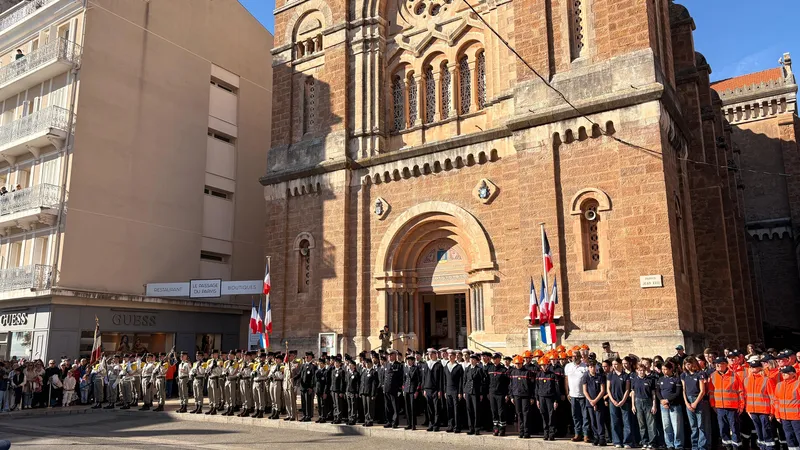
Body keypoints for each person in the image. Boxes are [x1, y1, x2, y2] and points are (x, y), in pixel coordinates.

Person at [709, 356, 745, 450]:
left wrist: (741, 406)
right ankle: (727, 446)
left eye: (720, 363)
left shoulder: (734, 375)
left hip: (732, 407)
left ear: (725, 364)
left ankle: (736, 446)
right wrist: (713, 405)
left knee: (734, 429)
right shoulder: (713, 376)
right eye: (716, 364)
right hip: (719, 407)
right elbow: (711, 392)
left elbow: (740, 391)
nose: (718, 365)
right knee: (723, 429)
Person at [744, 360, 776, 450]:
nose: (753, 369)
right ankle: (762, 448)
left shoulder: (767, 380)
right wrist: (748, 410)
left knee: (767, 432)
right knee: (759, 433)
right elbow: (746, 397)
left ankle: (770, 448)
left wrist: (772, 412)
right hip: (753, 411)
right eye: (751, 367)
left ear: (760, 368)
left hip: (764, 412)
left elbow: (773, 397)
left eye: (755, 367)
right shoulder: (746, 380)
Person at [682, 356, 710, 450]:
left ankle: (702, 446)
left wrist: (695, 403)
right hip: (688, 400)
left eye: (689, 363)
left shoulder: (700, 374)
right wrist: (687, 403)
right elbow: (683, 390)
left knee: (701, 425)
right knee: (693, 426)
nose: (687, 366)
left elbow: (702, 391)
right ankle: (694, 446)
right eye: (686, 364)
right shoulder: (684, 375)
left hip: (698, 400)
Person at [657, 361, 685, 450]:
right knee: (666, 426)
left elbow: (677, 393)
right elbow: (657, 391)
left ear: (671, 369)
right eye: (662, 369)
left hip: (674, 406)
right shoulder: (660, 379)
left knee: (676, 426)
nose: (664, 371)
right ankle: (669, 444)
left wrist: (668, 400)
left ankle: (678, 445)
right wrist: (662, 400)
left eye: (665, 369)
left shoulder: (676, 379)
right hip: (663, 406)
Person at [608, 357, 634, 448]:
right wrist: (612, 400)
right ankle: (617, 441)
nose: (614, 366)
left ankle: (627, 442)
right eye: (613, 364)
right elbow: (608, 389)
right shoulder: (610, 375)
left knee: (626, 422)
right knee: (615, 422)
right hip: (613, 402)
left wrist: (623, 400)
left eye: (616, 364)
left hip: (624, 402)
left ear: (620, 365)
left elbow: (627, 389)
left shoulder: (625, 376)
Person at [631, 362, 659, 449]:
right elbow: (633, 393)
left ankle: (652, 443)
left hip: (648, 402)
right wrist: (633, 405)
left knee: (651, 423)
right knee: (641, 424)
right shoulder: (634, 380)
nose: (641, 372)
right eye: (640, 370)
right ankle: (644, 442)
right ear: (637, 371)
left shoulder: (650, 380)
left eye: (643, 370)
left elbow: (653, 393)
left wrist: (654, 405)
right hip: (638, 402)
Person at [566, 351, 591, 443]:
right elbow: (566, 380)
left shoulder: (585, 367)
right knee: (575, 415)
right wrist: (567, 392)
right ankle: (577, 433)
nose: (574, 358)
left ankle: (586, 435)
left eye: (576, 356)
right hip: (573, 395)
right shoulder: (568, 366)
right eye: (573, 356)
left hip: (583, 395)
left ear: (580, 357)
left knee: (585, 416)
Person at [583, 357, 608, 446]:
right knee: (592, 421)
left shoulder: (600, 376)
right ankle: (596, 437)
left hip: (599, 401)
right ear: (588, 368)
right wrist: (591, 401)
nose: (592, 368)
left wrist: (596, 401)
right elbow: (585, 390)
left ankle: (602, 438)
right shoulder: (585, 376)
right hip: (589, 402)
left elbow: (602, 390)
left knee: (599, 420)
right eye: (590, 367)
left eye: (594, 367)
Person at [774, 366, 800, 450]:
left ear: (793, 374)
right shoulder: (779, 385)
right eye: (783, 372)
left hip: (797, 417)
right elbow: (776, 401)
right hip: (784, 417)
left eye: (786, 372)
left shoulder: (798, 384)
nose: (784, 374)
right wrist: (777, 415)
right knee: (789, 438)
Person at [509, 355, 535, 439]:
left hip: (526, 396)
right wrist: (511, 396)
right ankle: (521, 431)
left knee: (526, 414)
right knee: (519, 414)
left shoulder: (527, 372)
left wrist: (532, 397)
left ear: (522, 363)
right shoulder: (513, 372)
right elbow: (511, 385)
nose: (517, 365)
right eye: (516, 364)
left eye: (519, 364)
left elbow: (532, 386)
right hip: (516, 396)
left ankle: (527, 432)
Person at [421, 347, 444, 432]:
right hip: (427, 389)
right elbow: (424, 377)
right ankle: (431, 424)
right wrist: (424, 389)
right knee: (429, 408)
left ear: (435, 354)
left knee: (436, 408)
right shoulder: (426, 364)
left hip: (435, 390)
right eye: (429, 354)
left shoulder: (439, 365)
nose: (430, 356)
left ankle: (436, 425)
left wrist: (439, 390)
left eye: (432, 354)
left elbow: (441, 379)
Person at [488, 352, 510, 436]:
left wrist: (507, 394)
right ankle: (495, 428)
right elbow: (487, 382)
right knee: (494, 411)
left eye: (495, 358)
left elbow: (508, 384)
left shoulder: (504, 370)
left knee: (501, 412)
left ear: (499, 359)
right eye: (493, 358)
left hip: (501, 394)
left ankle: (502, 429)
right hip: (492, 393)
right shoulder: (490, 369)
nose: (493, 360)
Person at [443, 349, 464, 433]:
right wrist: (445, 391)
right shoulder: (446, 367)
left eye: (452, 355)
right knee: (449, 409)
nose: (450, 357)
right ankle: (450, 426)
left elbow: (461, 381)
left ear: (455, 357)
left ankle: (457, 426)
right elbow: (444, 380)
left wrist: (460, 392)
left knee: (456, 409)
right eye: (449, 355)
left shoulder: (458, 367)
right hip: (448, 390)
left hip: (455, 391)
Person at [403, 354, 421, 430]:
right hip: (407, 390)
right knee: (407, 408)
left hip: (413, 390)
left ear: (413, 361)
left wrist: (417, 391)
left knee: (413, 407)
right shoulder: (406, 369)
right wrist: (404, 389)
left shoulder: (416, 369)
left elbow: (419, 381)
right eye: (407, 361)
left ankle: (413, 424)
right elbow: (404, 379)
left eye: (410, 360)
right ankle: (409, 424)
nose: (408, 362)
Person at [299, 351, 316, 421]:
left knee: (308, 402)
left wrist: (311, 387)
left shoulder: (313, 366)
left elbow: (313, 378)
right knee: (303, 402)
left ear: (310, 357)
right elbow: (300, 374)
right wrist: (293, 378)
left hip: (308, 387)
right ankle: (304, 414)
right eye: (305, 357)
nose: (305, 358)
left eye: (307, 356)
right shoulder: (303, 365)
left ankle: (308, 416)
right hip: (303, 387)